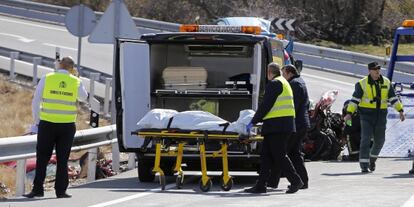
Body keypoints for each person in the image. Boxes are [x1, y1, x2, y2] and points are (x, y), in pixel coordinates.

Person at [24, 56, 88, 198]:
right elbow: (84, 97)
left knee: (42, 158)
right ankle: (60, 191)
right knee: (63, 158)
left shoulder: (47, 78)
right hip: (66, 126)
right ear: (72, 68)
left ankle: (37, 190)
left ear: (59, 65)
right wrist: (76, 78)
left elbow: (36, 100)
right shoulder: (76, 81)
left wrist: (37, 121)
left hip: (47, 124)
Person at [244, 62, 303, 194]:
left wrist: (253, 121)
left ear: (269, 73)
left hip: (278, 126)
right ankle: (261, 185)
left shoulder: (275, 84)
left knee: (279, 156)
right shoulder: (283, 82)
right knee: (266, 156)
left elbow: (266, 105)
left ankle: (295, 180)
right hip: (279, 125)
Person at [344, 61, 405, 173]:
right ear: (370, 71)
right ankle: (364, 165)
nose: (377, 71)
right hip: (366, 115)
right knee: (366, 139)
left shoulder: (386, 82)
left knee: (380, 141)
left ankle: (372, 159)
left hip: (381, 115)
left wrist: (400, 110)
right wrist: (349, 113)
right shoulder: (362, 84)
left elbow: (393, 98)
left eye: (378, 69)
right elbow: (354, 100)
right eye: (375, 69)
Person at [267, 64, 310, 189]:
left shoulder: (294, 84)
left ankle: (274, 182)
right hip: (301, 124)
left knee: (281, 153)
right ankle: (303, 181)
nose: (282, 76)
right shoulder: (300, 81)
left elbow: (293, 106)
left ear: (290, 73)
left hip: (296, 124)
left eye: (283, 73)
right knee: (294, 154)